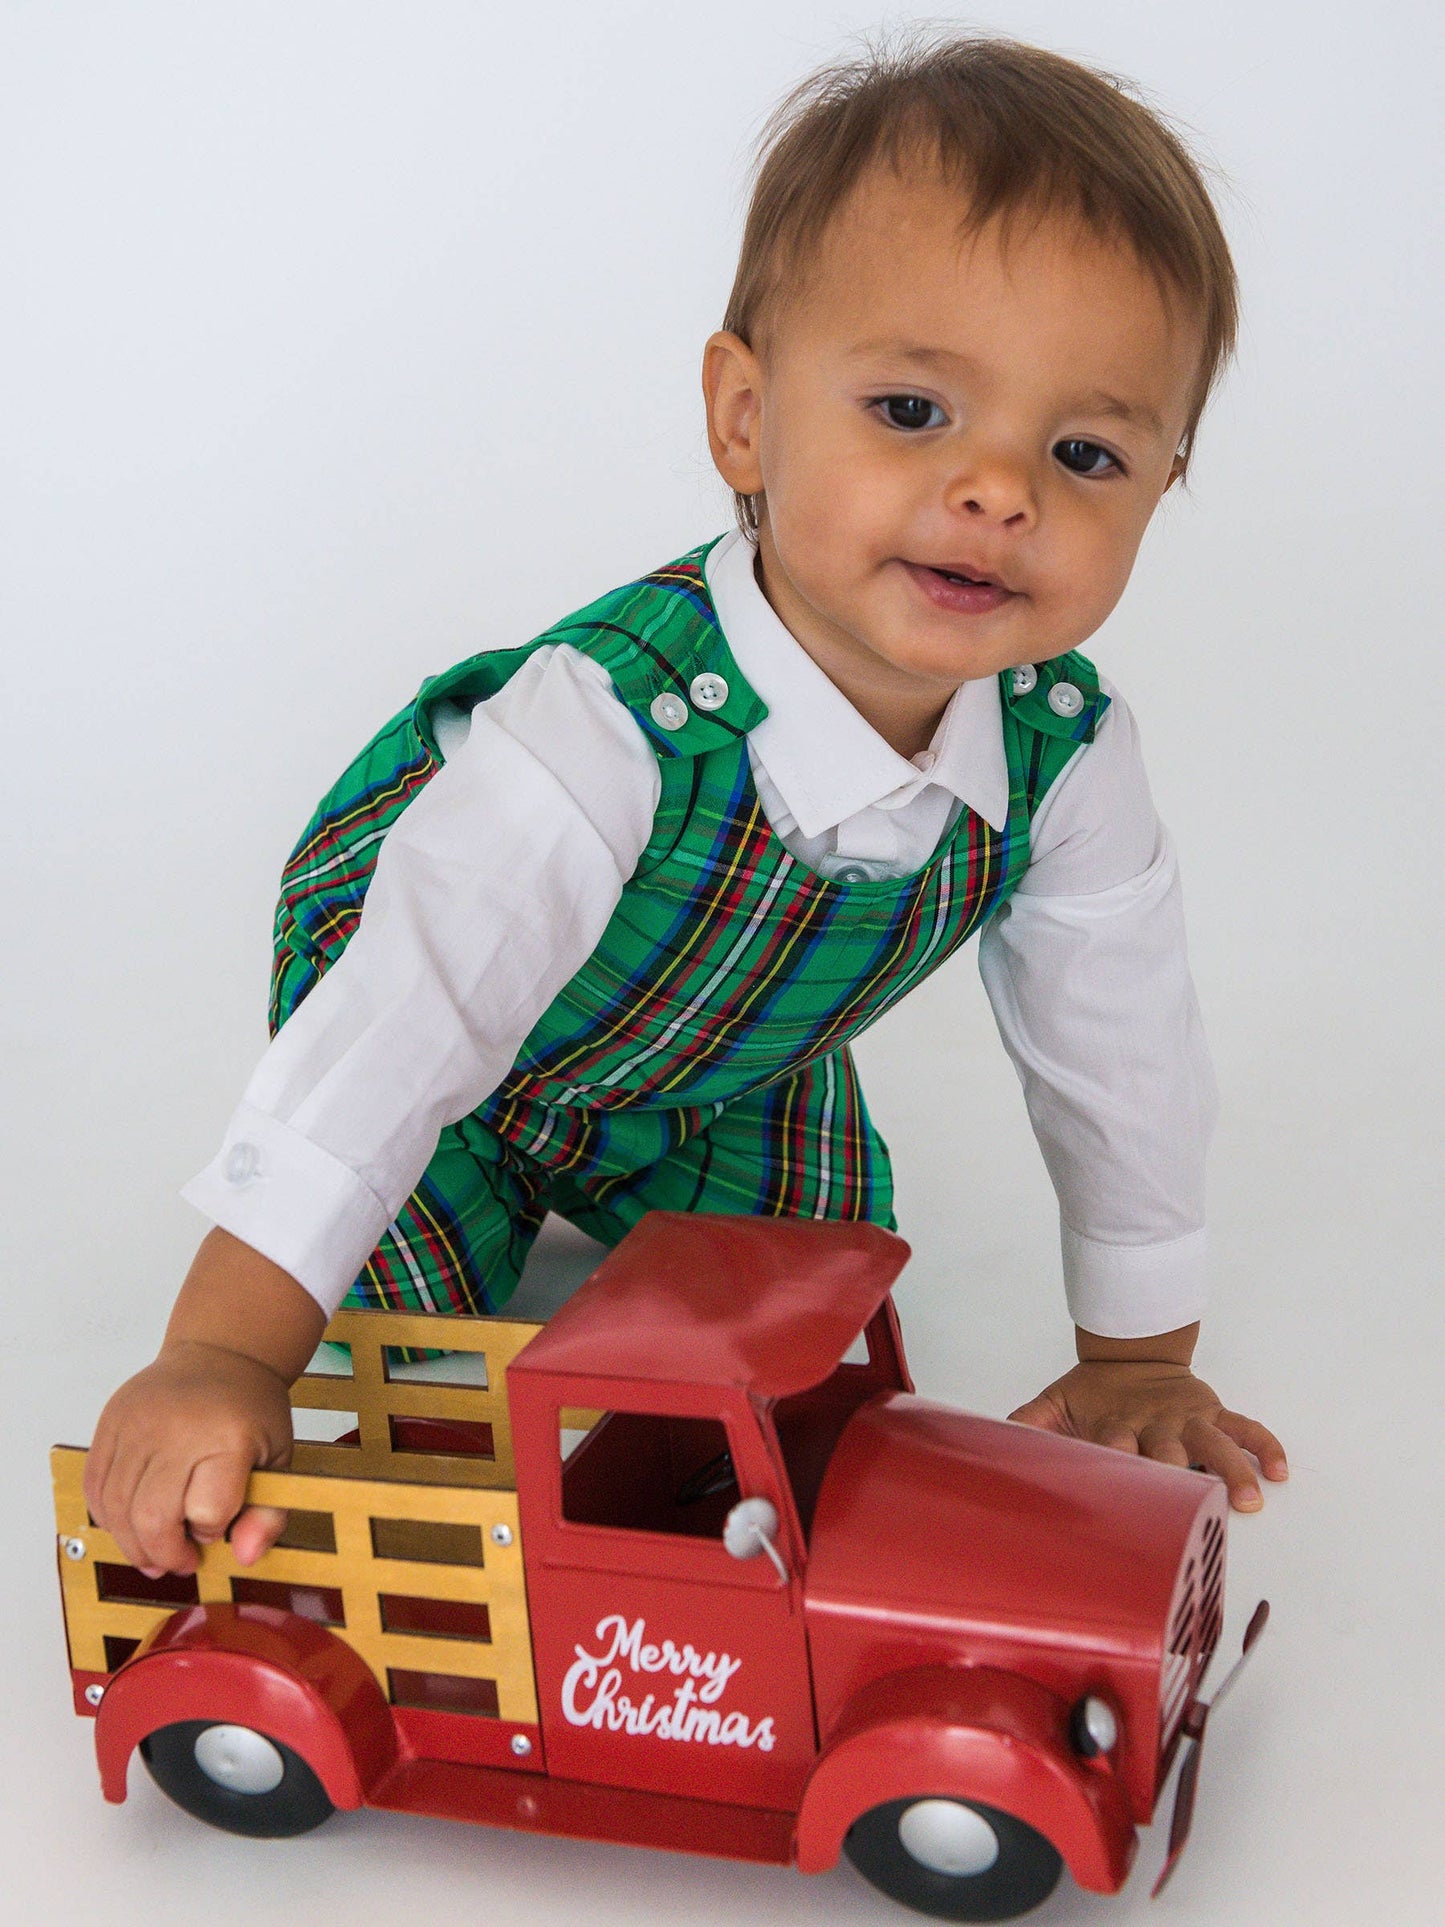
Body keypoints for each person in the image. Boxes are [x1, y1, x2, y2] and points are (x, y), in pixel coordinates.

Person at [86, 33, 1288, 1579]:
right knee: (416, 1394)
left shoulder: (1065, 752)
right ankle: (473, 1222)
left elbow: (1121, 1057)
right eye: (911, 409)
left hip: (718, 1068)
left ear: (1160, 485)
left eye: (1083, 451)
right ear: (742, 415)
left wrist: (1134, 1355)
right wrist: (221, 1354)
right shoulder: (607, 726)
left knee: (804, 1328)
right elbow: (402, 1021)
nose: (1001, 491)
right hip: (449, 1028)